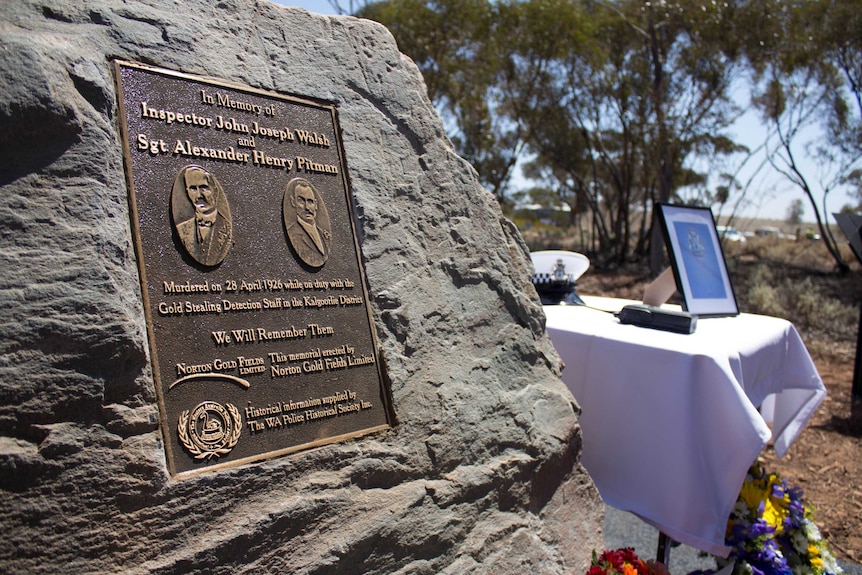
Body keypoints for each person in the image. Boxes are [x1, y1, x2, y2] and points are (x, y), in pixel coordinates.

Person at [173, 166, 232, 266]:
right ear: (187, 192)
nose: (199, 195)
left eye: (203, 188)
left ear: (215, 191)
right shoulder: (182, 229)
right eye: (193, 189)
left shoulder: (226, 227)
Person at [284, 178, 330, 267]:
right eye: (301, 201)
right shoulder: (293, 233)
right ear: (293, 202)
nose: (307, 208)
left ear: (316, 204)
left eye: (310, 201)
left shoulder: (324, 233)